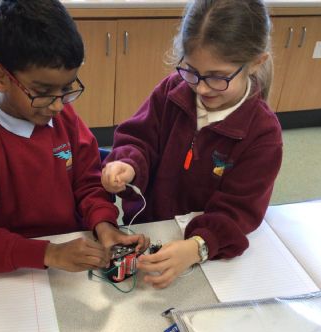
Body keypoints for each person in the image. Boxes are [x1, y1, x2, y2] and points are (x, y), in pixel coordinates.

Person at [0, 0, 147, 273]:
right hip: (11, 269)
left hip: (68, 257)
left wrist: (105, 226)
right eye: (43, 91)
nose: (58, 105)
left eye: (66, 89)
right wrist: (48, 253)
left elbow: (88, 183)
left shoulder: (64, 119)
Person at [101, 0, 283, 289]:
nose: (201, 87)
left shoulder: (262, 134)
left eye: (218, 78)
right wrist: (128, 163)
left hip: (205, 252)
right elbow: (139, 138)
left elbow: (240, 211)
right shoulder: (171, 91)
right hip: (151, 227)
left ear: (256, 63)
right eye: (191, 70)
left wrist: (198, 246)